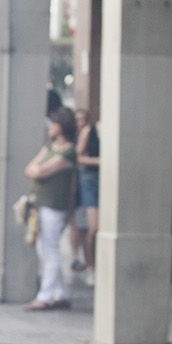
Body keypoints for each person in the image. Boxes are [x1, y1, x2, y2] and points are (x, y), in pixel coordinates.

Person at [21, 107, 78, 311]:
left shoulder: (69, 151)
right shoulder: (50, 147)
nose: (49, 128)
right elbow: (31, 169)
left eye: (53, 124)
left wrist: (38, 171)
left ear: (62, 126)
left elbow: (41, 171)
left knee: (51, 248)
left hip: (56, 205)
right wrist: (37, 171)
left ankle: (45, 296)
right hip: (41, 203)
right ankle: (60, 292)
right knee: (42, 247)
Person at [71, 107, 100, 284]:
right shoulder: (88, 132)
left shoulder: (99, 130)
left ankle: (93, 265)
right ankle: (90, 265)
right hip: (88, 181)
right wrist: (99, 161)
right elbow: (78, 157)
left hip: (100, 181)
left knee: (93, 227)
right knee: (91, 227)